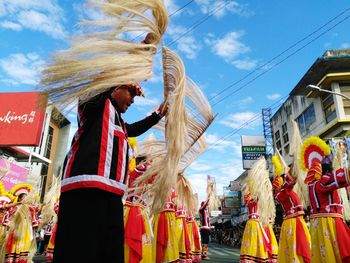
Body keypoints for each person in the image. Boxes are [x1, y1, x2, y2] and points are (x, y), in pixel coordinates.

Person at [53, 82, 167, 263]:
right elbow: (95, 87)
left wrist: (158, 114)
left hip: (113, 197)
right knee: (80, 253)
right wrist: (119, 75)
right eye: (130, 93)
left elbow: (135, 129)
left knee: (110, 254)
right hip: (85, 191)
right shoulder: (95, 106)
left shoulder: (120, 122)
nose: (133, 100)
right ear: (115, 88)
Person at [301, 136, 350, 263]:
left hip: (317, 224)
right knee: (333, 253)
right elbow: (340, 177)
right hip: (329, 222)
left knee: (322, 254)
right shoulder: (321, 183)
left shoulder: (311, 186)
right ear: (326, 172)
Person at [272, 163, 311, 263]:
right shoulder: (283, 192)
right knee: (298, 246)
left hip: (293, 221)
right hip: (294, 222)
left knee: (296, 246)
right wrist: (294, 164)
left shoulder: (282, 192)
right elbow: (291, 180)